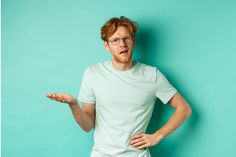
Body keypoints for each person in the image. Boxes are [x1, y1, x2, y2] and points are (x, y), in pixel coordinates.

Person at [46, 16, 192, 157]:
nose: (122, 44)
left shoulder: (152, 75)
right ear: (106, 45)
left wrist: (157, 136)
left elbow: (184, 109)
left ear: (133, 41)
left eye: (126, 38)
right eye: (115, 40)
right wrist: (73, 105)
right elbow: (87, 126)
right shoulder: (93, 73)